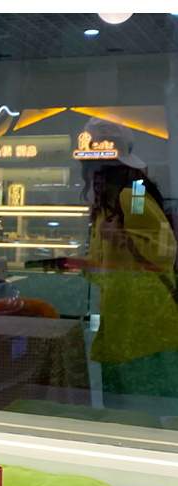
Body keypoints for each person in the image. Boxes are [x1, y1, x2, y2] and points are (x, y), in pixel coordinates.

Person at [79, 118, 178, 409]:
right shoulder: (110, 202)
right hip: (128, 321)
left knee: (141, 412)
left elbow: (164, 249)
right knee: (129, 412)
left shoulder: (130, 195)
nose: (93, 173)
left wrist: (122, 238)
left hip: (143, 325)